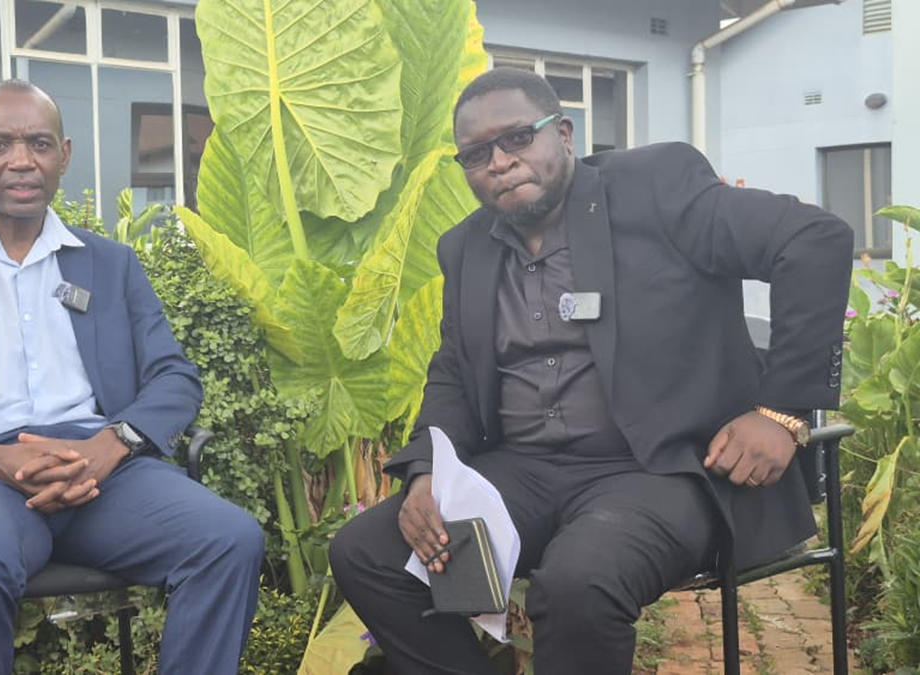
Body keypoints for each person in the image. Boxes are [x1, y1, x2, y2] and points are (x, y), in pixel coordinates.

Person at [329, 67, 852, 674]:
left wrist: (781, 410)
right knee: (367, 551)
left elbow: (814, 240)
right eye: (476, 154)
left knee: (578, 583)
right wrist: (426, 472)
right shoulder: (464, 247)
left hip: (659, 470)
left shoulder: (658, 188)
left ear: (565, 135)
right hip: (521, 474)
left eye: (518, 137)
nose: (498, 161)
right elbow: (452, 368)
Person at [0, 79, 264, 675]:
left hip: (104, 474)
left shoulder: (110, 263)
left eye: (38, 143)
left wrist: (111, 446)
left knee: (229, 539)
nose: (20, 160)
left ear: (63, 155)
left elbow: (174, 376)